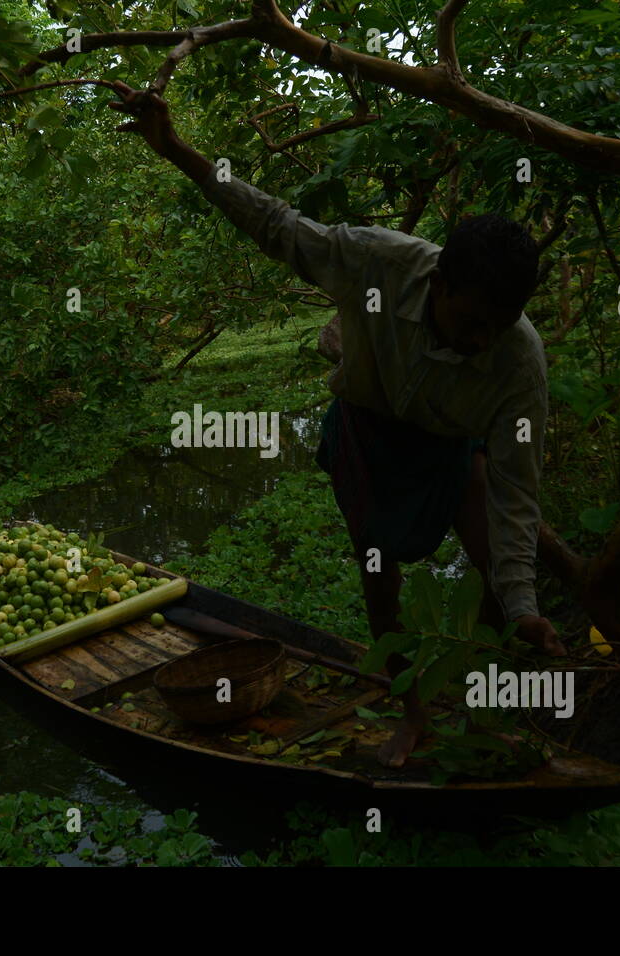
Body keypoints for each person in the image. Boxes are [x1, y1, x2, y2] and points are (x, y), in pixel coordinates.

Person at [110, 83, 566, 768]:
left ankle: (481, 707)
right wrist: (175, 148)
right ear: (439, 283)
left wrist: (526, 596)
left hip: (448, 442)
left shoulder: (517, 360)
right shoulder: (377, 260)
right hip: (370, 432)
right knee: (378, 576)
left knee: (498, 577)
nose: (481, 341)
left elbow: (516, 493)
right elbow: (274, 222)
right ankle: (412, 710)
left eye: (496, 328)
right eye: (471, 321)